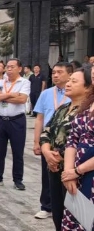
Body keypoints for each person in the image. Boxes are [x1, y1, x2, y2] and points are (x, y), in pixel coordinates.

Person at [40, 67, 90, 231]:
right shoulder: (64, 108)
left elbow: (81, 142)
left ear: (88, 87)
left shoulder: (87, 112)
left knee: (77, 214)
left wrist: (61, 158)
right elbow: (46, 131)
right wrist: (47, 152)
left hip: (76, 172)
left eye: (74, 81)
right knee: (58, 211)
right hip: (55, 167)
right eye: (69, 81)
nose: (68, 84)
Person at [58, 63, 94, 231]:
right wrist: (68, 170)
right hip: (79, 180)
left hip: (88, 175)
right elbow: (72, 140)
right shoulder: (85, 106)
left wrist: (78, 170)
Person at [32, 62, 73, 221]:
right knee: (47, 175)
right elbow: (39, 119)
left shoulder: (74, 94)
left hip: (67, 143)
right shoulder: (46, 93)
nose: (55, 75)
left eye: (59, 72)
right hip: (48, 141)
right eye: (54, 72)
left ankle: (67, 210)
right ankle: (46, 206)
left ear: (70, 75)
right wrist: (37, 142)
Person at [0, 58, 30, 190]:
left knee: (17, 151)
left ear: (20, 69)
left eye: (12, 67)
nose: (9, 69)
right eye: (8, 67)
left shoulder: (24, 82)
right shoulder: (1, 82)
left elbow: (22, 99)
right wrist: (11, 95)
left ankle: (18, 179)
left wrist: (3, 96)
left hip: (17, 121)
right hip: (1, 120)